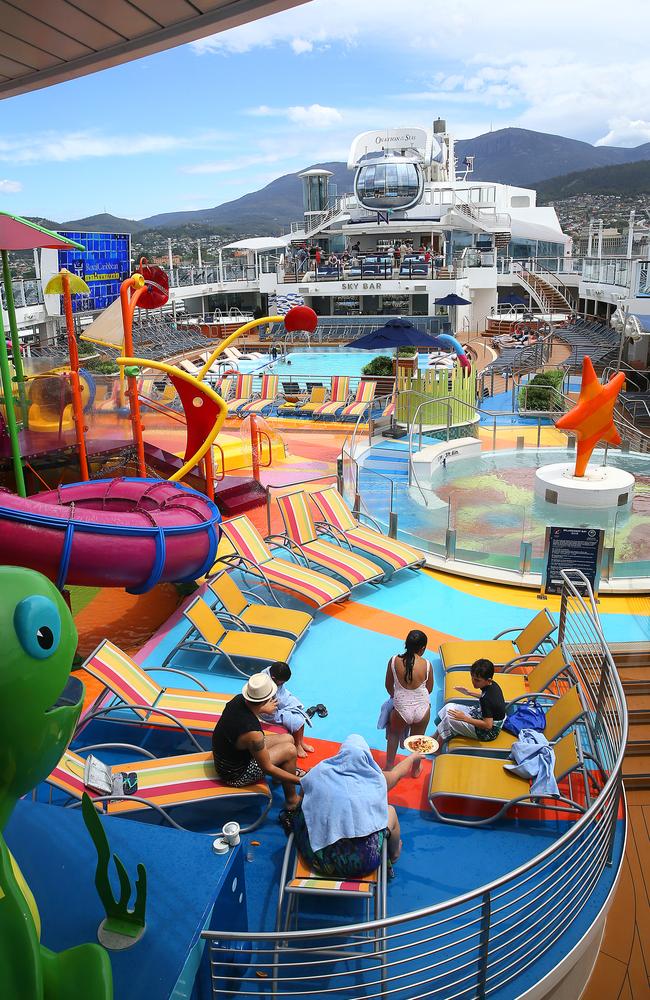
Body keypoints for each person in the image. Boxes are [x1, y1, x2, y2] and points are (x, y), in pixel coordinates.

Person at [289, 734, 422, 877]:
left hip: (320, 860)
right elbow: (398, 773)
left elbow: (303, 796)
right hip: (363, 862)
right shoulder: (376, 779)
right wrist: (413, 757)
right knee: (391, 811)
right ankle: (394, 853)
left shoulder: (318, 772)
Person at [212, 672, 302, 808]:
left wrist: (262, 709)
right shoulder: (254, 734)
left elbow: (247, 713)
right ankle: (292, 800)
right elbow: (267, 767)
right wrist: (301, 781)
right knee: (289, 750)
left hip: (227, 756)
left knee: (288, 738)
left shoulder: (237, 700)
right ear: (267, 699)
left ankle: (282, 776)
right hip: (234, 774)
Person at [384, 629, 432, 769]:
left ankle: (388, 766)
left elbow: (388, 686)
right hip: (422, 709)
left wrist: (397, 698)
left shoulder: (393, 661)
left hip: (401, 709)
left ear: (406, 644)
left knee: (393, 734)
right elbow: (429, 689)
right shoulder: (427, 665)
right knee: (418, 740)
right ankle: (416, 768)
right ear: (423, 648)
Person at [432, 658, 506, 746]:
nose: (473, 682)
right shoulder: (492, 684)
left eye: (477, 680)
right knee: (449, 707)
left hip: (488, 733)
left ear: (488, 680)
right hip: (483, 715)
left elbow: (488, 725)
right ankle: (434, 736)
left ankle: (437, 747)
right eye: (472, 678)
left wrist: (464, 718)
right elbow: (485, 697)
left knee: (449, 720)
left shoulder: (487, 700)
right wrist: (469, 693)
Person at [261, 661, 314, 758]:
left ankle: (301, 742)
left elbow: (281, 693)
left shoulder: (272, 670)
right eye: (282, 682)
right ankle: (297, 745)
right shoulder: (264, 683)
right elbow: (266, 705)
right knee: (296, 721)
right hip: (267, 710)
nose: (283, 683)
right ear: (273, 678)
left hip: (279, 697)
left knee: (299, 711)